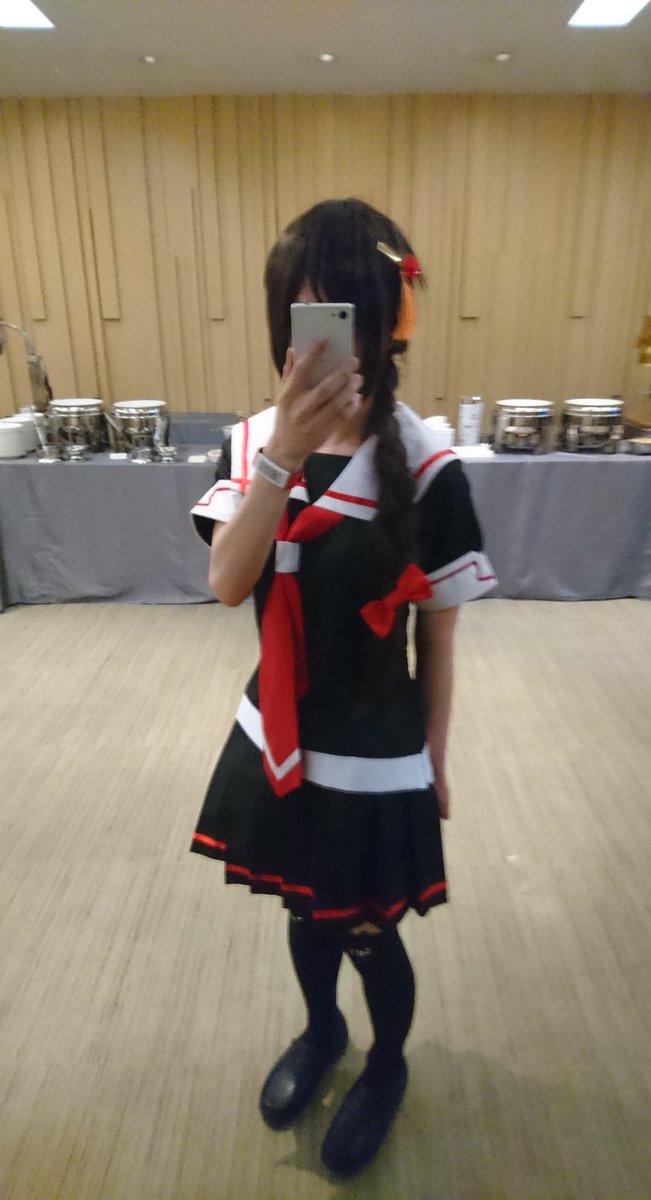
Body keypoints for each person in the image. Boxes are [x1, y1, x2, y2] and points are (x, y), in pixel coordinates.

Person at [189, 198, 497, 1179]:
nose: (325, 342)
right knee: (301, 908)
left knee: (364, 926)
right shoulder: (250, 445)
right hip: (280, 733)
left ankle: (386, 1061)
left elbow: (437, 636)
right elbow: (228, 583)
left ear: (384, 323)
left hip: (375, 746)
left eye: (346, 316)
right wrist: (282, 455)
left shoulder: (430, 464)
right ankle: (322, 1031)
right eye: (304, 314)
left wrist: (435, 759)